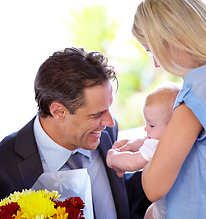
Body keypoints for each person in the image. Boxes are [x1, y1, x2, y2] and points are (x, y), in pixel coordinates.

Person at [113, 0, 206, 218]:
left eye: (153, 52)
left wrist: (148, 153)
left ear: (173, 40)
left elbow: (153, 186)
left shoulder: (204, 82)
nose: (157, 64)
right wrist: (146, 143)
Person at [0, 47, 150, 219]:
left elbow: (123, 196)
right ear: (58, 111)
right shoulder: (4, 164)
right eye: (96, 114)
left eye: (109, 108)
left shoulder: (107, 132)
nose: (109, 122)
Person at [107, 83, 180, 219]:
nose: (146, 129)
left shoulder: (157, 144)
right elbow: (151, 136)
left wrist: (113, 157)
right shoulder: (183, 138)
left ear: (171, 126)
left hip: (166, 210)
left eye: (151, 125)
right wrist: (140, 141)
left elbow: (132, 162)